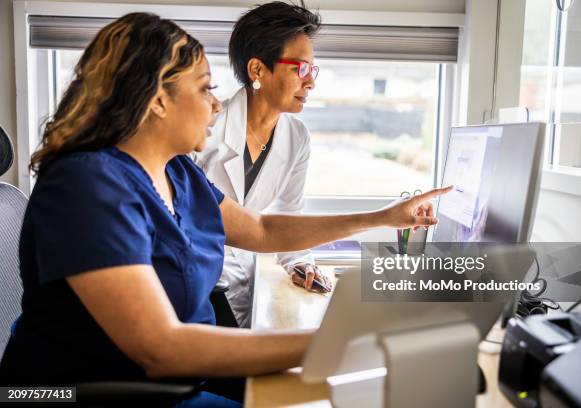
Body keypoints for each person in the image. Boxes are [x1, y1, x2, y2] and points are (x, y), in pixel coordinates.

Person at [0, 12, 450, 407]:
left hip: (174, 377)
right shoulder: (88, 186)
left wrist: (383, 216)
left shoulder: (176, 171)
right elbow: (162, 348)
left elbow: (262, 231)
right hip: (95, 391)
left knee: (342, 390)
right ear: (157, 100)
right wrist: (343, 339)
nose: (217, 104)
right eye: (204, 89)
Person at [193, 2, 327, 327]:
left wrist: (299, 262)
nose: (310, 83)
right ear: (257, 70)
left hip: (245, 286)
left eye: (313, 70)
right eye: (300, 69)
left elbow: (287, 214)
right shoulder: (204, 131)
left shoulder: (297, 136)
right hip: (199, 289)